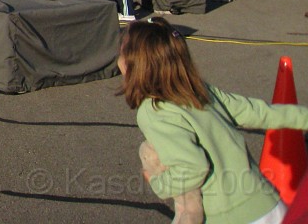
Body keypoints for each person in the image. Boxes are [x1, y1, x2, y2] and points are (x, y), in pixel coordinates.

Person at [119, 17, 308, 224]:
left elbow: (193, 167)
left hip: (231, 217)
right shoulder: (197, 90)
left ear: (133, 64)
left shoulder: (153, 111)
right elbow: (258, 112)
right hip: (268, 204)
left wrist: (158, 182)